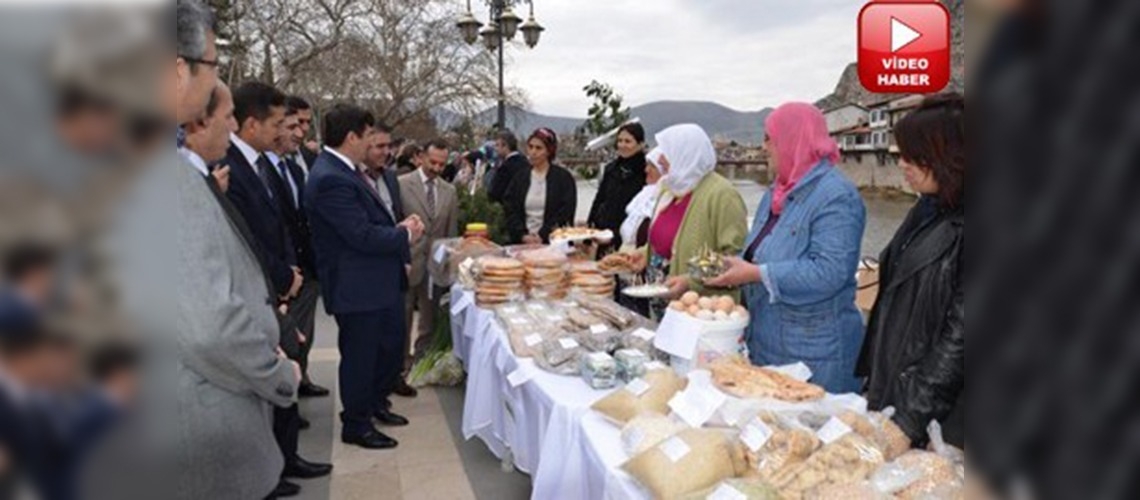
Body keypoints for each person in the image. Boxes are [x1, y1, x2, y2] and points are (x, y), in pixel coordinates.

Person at [168, 3, 302, 498]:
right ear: (178, 69)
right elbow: (207, 328)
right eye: (213, 65)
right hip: (198, 451)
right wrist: (277, 374)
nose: (215, 79)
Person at [705, 103, 866, 394]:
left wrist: (754, 273)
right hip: (768, 345)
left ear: (794, 139)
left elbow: (830, 272)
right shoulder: (777, 192)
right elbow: (761, 250)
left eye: (769, 138)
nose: (764, 147)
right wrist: (733, 265)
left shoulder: (837, 196)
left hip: (814, 359)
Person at [304, 104, 424, 450]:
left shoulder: (346, 170)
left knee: (383, 351)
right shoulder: (330, 177)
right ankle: (356, 423)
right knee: (360, 356)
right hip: (357, 287)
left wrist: (399, 231)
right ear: (352, 137)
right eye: (370, 135)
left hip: (376, 282)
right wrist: (404, 234)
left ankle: (374, 406)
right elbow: (361, 236)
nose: (375, 143)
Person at [856, 94, 965, 448]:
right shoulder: (928, 210)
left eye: (911, 156)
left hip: (939, 422)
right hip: (899, 396)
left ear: (948, 156)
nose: (901, 163)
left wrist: (908, 421)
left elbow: (959, 341)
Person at [623, 124, 748, 301]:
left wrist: (691, 280)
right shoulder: (669, 190)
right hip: (661, 296)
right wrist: (644, 254)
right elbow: (664, 239)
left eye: (667, 153)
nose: (660, 160)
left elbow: (734, 257)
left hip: (700, 307)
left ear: (686, 154)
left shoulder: (723, 195)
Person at [265, 107, 330, 400]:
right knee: (285, 337)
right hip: (280, 272)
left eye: (303, 124)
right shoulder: (264, 171)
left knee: (304, 331)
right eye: (292, 125)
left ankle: (300, 379)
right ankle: (286, 392)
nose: (301, 132)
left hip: (306, 267)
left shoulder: (293, 167)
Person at [223, 82, 302, 306]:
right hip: (250, 293)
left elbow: (280, 221)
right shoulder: (227, 166)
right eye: (276, 124)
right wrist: (283, 277)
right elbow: (243, 236)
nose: (281, 132)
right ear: (252, 125)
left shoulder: (263, 162)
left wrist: (290, 267)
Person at [398, 139, 459, 384]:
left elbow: (451, 232)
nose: (436, 168)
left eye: (442, 164)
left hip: (435, 266)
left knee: (429, 317)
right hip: (407, 262)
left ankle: (423, 357)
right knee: (402, 316)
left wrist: (448, 266)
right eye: (432, 162)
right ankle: (401, 361)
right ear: (420, 157)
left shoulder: (450, 191)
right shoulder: (401, 184)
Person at [503, 128, 577, 244]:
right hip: (523, 243)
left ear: (549, 151)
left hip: (554, 244)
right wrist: (522, 235)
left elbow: (565, 212)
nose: (533, 152)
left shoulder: (563, 179)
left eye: (538, 148)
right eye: (530, 147)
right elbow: (510, 209)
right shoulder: (520, 178)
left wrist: (543, 235)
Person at [588, 123, 648, 251]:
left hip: (630, 239)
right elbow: (600, 198)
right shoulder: (611, 168)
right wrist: (590, 226)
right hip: (604, 234)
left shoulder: (646, 171)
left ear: (641, 144)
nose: (622, 145)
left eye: (628, 141)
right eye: (620, 141)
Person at [619, 148, 665, 249]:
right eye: (647, 165)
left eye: (653, 166)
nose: (646, 170)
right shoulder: (645, 193)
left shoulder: (665, 198)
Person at [488, 129, 529, 204]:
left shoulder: (505, 168)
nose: (495, 149)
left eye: (497, 145)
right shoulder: (526, 163)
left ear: (505, 146)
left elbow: (496, 192)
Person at [285, 96, 317, 175]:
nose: (306, 128)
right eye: (300, 121)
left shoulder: (312, 157)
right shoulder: (265, 163)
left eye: (308, 122)